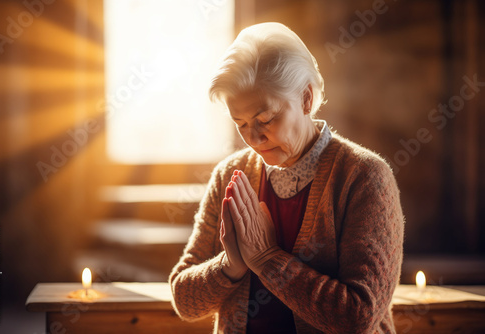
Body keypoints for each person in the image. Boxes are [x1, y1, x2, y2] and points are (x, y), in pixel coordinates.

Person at [169, 22, 404, 334]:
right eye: (240, 124)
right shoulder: (229, 174)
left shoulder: (363, 176)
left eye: (265, 119)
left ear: (306, 99)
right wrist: (231, 266)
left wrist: (267, 260)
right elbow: (185, 302)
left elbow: (358, 316)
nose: (253, 138)